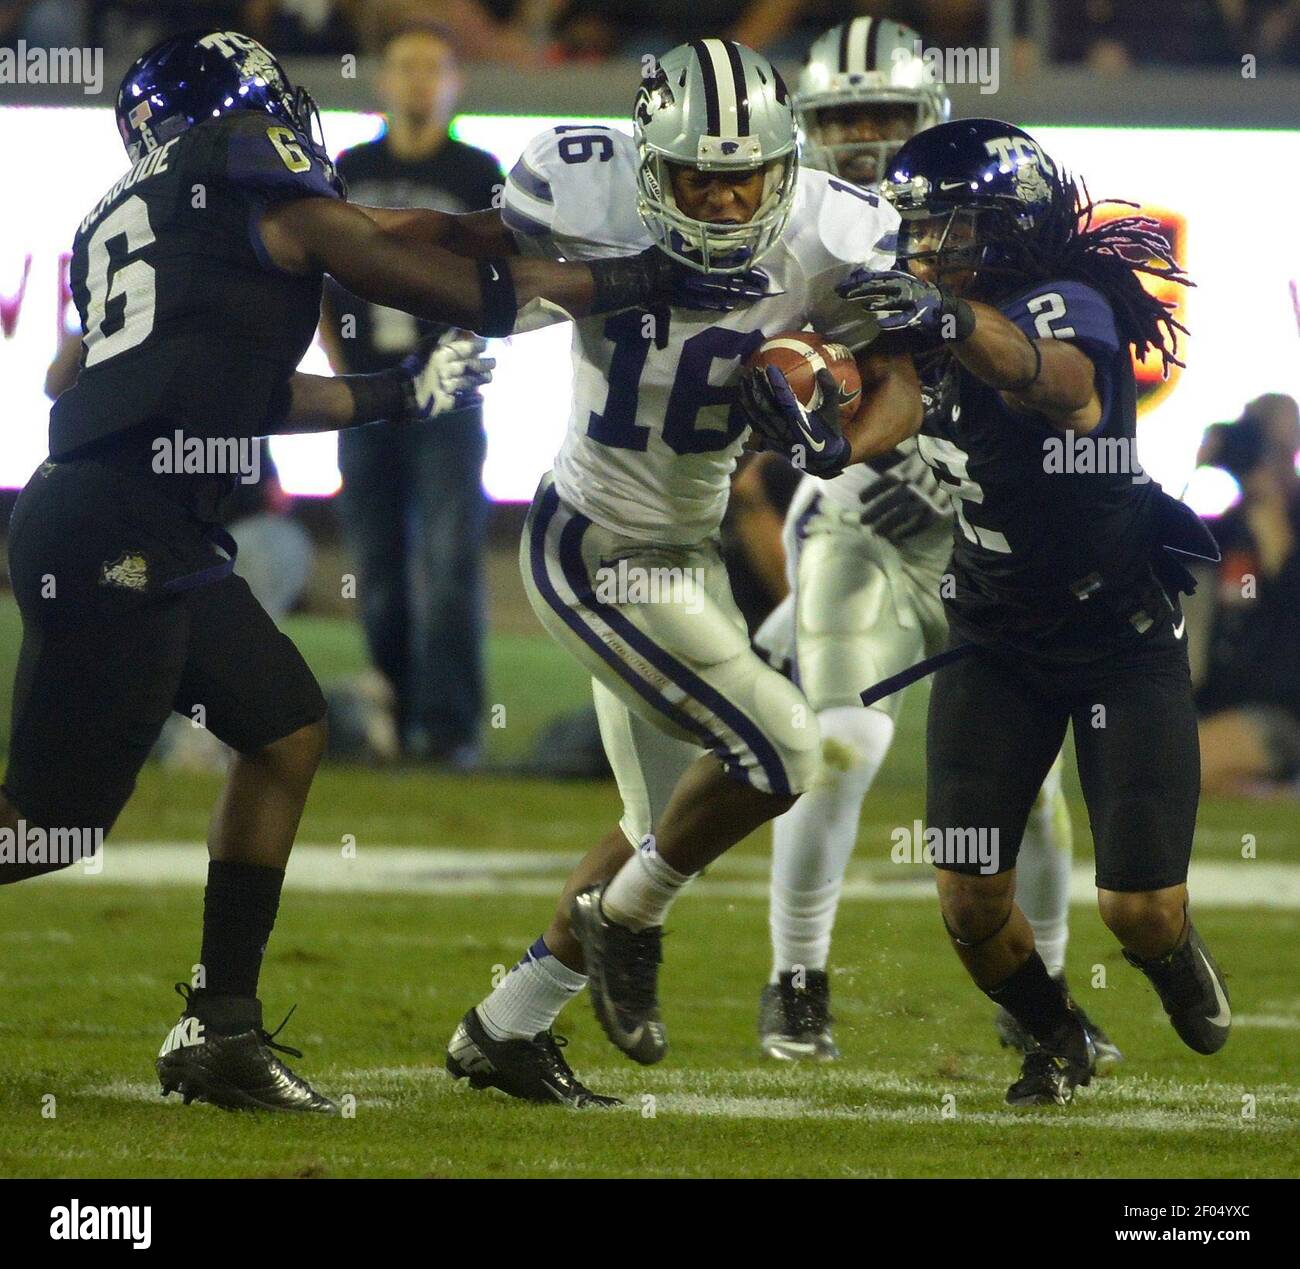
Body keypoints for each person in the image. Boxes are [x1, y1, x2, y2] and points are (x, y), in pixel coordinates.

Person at [0, 28, 710, 1114]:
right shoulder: (240, 164)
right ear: (245, 107)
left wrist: (395, 397)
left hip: (133, 521)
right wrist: (637, 275)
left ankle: (219, 1029)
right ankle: (218, 1028)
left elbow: (195, 388)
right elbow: (409, 269)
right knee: (51, 826)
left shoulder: (139, 213)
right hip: (119, 533)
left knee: (283, 727)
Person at [438, 39, 918, 1106]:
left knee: (666, 821)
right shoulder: (581, 179)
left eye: (743, 172)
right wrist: (440, 320)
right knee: (784, 745)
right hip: (594, 546)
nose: (722, 193)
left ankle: (503, 1028)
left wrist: (837, 431)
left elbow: (899, 382)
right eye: (697, 171)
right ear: (649, 162)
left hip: (687, 552)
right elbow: (464, 258)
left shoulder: (836, 234)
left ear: (784, 165)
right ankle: (629, 918)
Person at [835, 118, 1230, 1105]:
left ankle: (1171, 950)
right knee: (968, 898)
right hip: (995, 637)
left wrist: (953, 323)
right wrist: (829, 441)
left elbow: (1063, 386)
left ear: (1006, 226)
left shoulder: (1067, 301)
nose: (927, 248)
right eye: (918, 228)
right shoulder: (923, 315)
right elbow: (895, 409)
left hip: (1118, 639)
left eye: (950, 228)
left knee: (1135, 909)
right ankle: (1055, 1036)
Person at [751, 16, 1119, 1074]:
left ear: (928, 125)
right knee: (838, 745)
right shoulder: (790, 236)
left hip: (978, 551)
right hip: (863, 528)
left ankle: (1037, 1003)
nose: (862, 141)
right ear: (807, 130)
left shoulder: (982, 228)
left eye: (883, 117)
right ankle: (797, 978)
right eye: (841, 119)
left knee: (1032, 798)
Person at [321, 22, 505, 765]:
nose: (420, 81)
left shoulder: (477, 170)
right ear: (381, 80)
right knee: (377, 564)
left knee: (448, 559)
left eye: (434, 67)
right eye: (406, 67)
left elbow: (500, 280)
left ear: (455, 82)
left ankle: (451, 725)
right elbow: (319, 279)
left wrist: (459, 363)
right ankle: (392, 709)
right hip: (367, 394)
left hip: (445, 399)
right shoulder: (347, 166)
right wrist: (342, 371)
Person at [1195, 395, 1300, 793]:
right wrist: (1202, 466)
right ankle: (1270, 791)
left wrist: (1268, 500)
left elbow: (1291, 586)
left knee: (1177, 765)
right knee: (1153, 760)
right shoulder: (1232, 525)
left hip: (1281, 711)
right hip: (1221, 705)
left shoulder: (1287, 515)